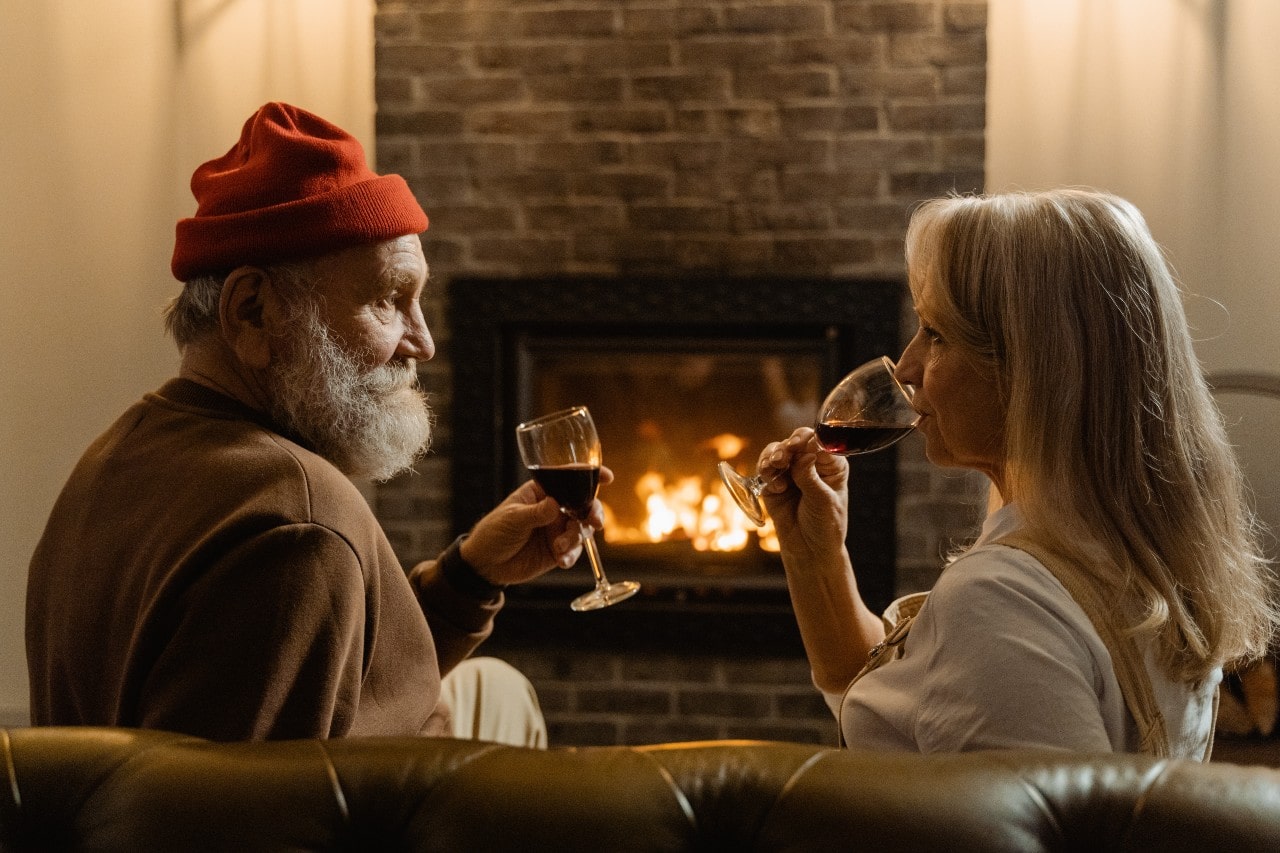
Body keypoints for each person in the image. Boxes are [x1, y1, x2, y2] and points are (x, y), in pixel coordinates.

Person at [25, 102, 597, 744]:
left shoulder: (118, 453)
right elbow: (265, 819)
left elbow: (337, 691)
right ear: (252, 312)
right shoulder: (297, 525)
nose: (425, 342)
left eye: (420, 301)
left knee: (496, 687)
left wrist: (470, 576)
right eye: (387, 299)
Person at [757, 188, 1280, 757]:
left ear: (1034, 370)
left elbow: (1032, 830)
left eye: (936, 333)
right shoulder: (1132, 554)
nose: (906, 367)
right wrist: (815, 554)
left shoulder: (1001, 599)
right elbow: (885, 696)